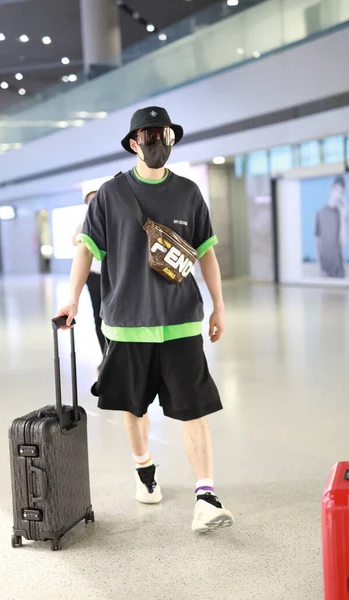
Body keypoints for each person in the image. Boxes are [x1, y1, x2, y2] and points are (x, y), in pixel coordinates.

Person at [56, 106, 234, 533]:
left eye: (165, 134)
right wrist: (73, 300)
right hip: (127, 324)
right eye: (149, 134)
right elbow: (86, 249)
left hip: (181, 322)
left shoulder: (189, 192)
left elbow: (205, 251)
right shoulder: (110, 195)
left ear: (173, 139)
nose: (158, 142)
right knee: (134, 408)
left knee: (194, 411)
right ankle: (145, 473)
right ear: (134, 142)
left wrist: (219, 304)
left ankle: (206, 496)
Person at [72, 191, 107, 360]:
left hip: (112, 275)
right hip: (93, 275)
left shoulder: (114, 218)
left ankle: (116, 358)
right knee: (98, 316)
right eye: (90, 201)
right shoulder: (85, 223)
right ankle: (105, 356)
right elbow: (75, 242)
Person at [314, 176, 348, 278]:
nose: (338, 194)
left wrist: (343, 216)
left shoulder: (341, 213)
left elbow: (343, 241)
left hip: (339, 271)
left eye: (341, 192)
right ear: (331, 189)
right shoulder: (320, 213)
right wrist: (320, 268)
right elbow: (317, 243)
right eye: (337, 190)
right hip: (325, 272)